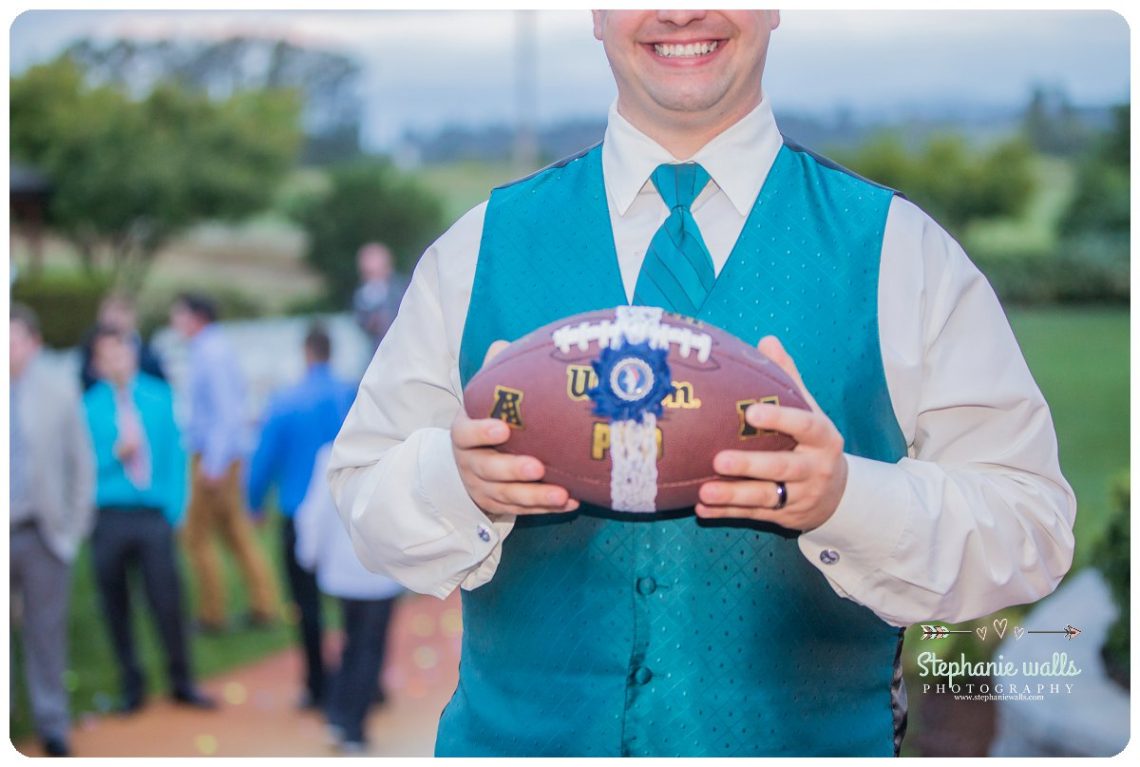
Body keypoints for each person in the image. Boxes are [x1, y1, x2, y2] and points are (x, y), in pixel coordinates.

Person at [327, 10, 1076, 757]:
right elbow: (362, 496)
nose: (680, 11)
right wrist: (457, 481)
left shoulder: (903, 253)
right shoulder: (476, 249)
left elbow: (1032, 525)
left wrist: (847, 499)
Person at [82, 325, 217, 714]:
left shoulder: (159, 397)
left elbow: (176, 458)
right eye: (106, 356)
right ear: (98, 363)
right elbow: (83, 468)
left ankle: (182, 681)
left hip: (153, 515)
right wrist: (114, 454)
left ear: (132, 354)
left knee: (167, 600)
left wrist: (175, 510)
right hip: (109, 516)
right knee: (116, 604)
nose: (116, 362)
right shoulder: (89, 406)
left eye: (121, 353)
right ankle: (131, 685)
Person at [247, 324, 357, 710]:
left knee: (307, 603)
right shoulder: (352, 392)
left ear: (306, 352)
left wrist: (254, 502)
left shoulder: (285, 400)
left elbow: (263, 458)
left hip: (298, 513)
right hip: (347, 512)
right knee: (353, 600)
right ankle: (361, 681)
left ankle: (317, 685)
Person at [9, 304, 95, 757]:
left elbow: (81, 466)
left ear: (34, 344)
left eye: (14, 339)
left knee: (46, 632)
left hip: (43, 533)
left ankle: (51, 723)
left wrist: (72, 532)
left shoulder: (59, 392)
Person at [169, 292, 279, 633]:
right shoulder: (213, 348)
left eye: (179, 315)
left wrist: (212, 464)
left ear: (196, 317)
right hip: (224, 455)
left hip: (215, 457)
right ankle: (263, 603)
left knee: (196, 535)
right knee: (234, 531)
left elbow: (224, 412)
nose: (176, 323)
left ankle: (212, 613)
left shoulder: (210, 352)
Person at [294, 444, 402, 754]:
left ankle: (338, 714)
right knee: (369, 649)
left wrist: (310, 556)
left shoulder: (331, 453)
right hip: (379, 573)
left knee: (352, 642)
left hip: (343, 572)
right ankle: (352, 725)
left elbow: (314, 511)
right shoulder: (397, 454)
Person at [78, 292, 166, 392]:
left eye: (121, 312)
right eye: (110, 311)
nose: (115, 318)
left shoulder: (148, 353)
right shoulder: (91, 346)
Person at [351, 242, 407, 351]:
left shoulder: (403, 289)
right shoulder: (362, 295)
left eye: (372, 273)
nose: (370, 279)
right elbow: (361, 321)